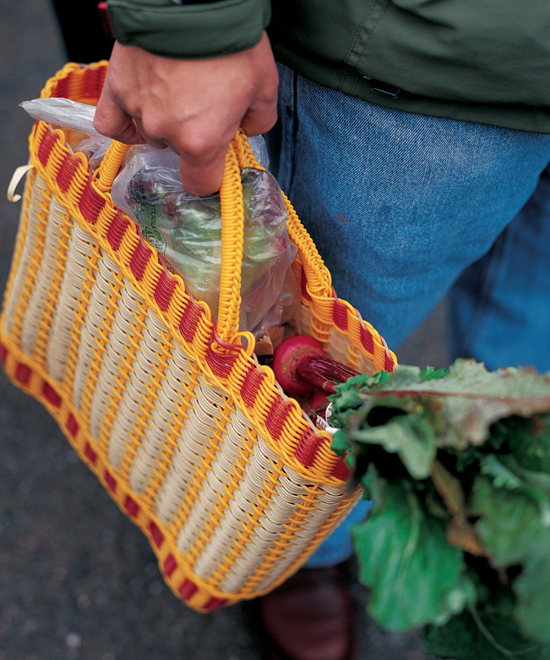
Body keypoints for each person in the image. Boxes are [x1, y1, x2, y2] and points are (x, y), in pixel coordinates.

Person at [54, 2, 550, 660]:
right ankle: (308, 544)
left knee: (531, 315)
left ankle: (502, 508)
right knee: (325, 318)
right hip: (423, 57)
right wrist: (187, 28)